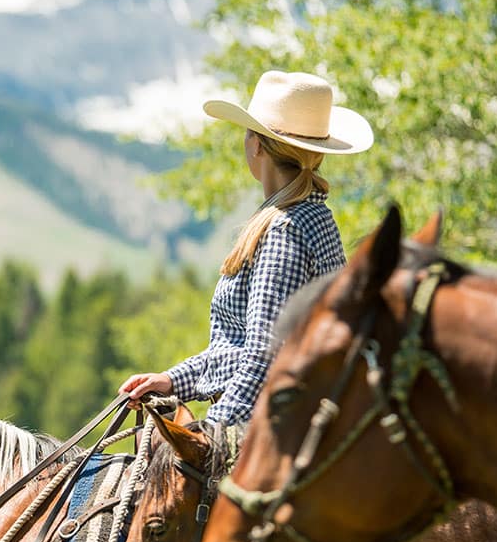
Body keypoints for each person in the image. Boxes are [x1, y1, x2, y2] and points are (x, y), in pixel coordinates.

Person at [119, 70, 374, 424]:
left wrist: (212, 430)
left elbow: (264, 357)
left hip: (260, 429)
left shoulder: (286, 229)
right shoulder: (310, 217)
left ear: (255, 144)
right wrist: (173, 380)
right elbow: (240, 348)